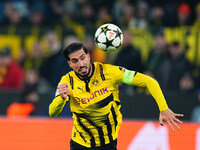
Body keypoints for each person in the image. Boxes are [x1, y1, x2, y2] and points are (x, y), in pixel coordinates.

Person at [49, 43, 183, 150]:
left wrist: (163, 108)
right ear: (70, 64)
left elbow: (149, 81)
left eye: (83, 58)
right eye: (75, 61)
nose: (81, 64)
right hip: (80, 144)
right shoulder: (66, 82)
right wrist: (61, 98)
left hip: (108, 143)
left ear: (89, 56)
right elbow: (52, 113)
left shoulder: (110, 72)